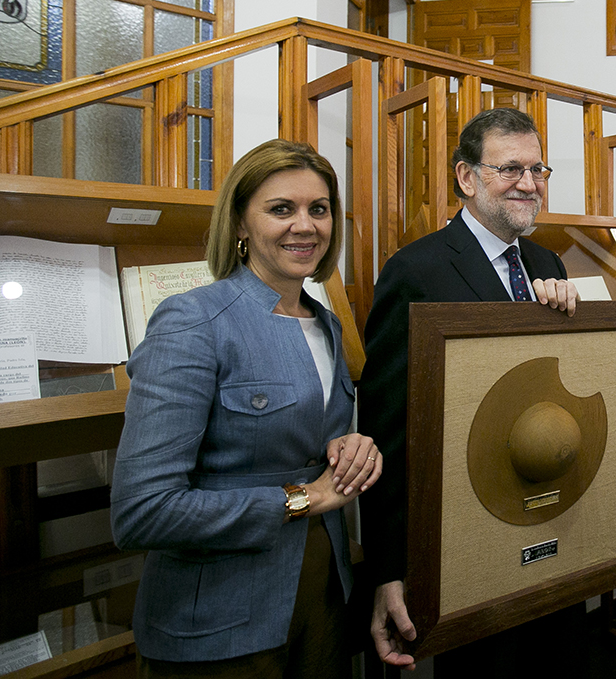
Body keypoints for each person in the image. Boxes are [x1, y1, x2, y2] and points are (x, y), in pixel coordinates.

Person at [110, 139, 382, 678]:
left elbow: (311, 444)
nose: (304, 225)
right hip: (220, 619)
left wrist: (354, 445)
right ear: (239, 222)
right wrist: (305, 498)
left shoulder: (326, 323)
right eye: (281, 209)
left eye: (318, 209)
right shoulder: (194, 321)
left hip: (322, 599)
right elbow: (141, 512)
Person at [357, 107, 579, 673]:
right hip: (462, 533)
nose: (529, 184)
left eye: (538, 169)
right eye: (510, 169)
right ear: (466, 177)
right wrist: (389, 567)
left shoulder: (547, 262)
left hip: (540, 516)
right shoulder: (416, 270)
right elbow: (386, 427)